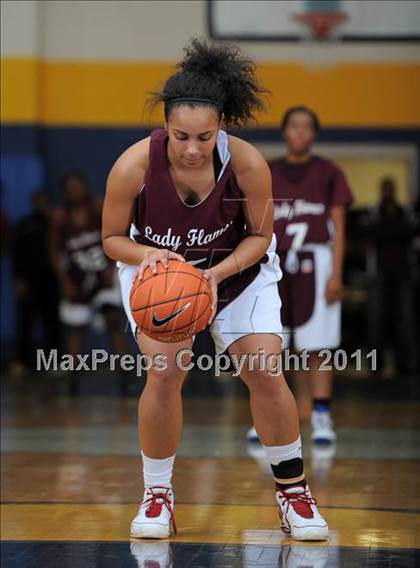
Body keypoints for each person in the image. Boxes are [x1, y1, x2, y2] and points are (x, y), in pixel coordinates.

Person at [102, 40, 329, 541]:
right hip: (160, 278)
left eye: (204, 137)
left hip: (237, 272)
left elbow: (261, 236)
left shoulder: (246, 165)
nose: (191, 147)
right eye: (181, 135)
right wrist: (149, 256)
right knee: (164, 371)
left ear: (221, 126)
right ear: (165, 125)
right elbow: (112, 240)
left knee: (266, 370)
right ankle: (157, 497)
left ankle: (294, 495)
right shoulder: (133, 167)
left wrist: (216, 274)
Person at [247, 106, 353, 445]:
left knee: (317, 345)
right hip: (272, 265)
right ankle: (268, 415)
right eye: (294, 125)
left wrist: (336, 275)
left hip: (316, 262)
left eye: (307, 126)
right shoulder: (267, 171)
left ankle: (322, 415)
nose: (300, 132)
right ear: (284, 131)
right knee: (271, 343)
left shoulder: (328, 172)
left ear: (314, 134)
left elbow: (339, 227)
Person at [50, 171, 126, 392]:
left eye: (77, 186)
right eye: (69, 188)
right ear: (64, 192)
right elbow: (54, 253)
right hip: (77, 277)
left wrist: (112, 268)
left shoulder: (99, 207)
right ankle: (72, 379)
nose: (74, 191)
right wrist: (65, 283)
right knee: (75, 328)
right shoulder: (60, 217)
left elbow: (117, 236)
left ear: (84, 186)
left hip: (103, 273)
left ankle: (126, 376)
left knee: (112, 319)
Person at [367, 177, 417, 375]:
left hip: (403, 274)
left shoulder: (405, 212)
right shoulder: (374, 212)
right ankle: (375, 365)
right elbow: (371, 235)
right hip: (378, 274)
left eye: (391, 189)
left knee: (406, 321)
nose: (388, 192)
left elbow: (410, 234)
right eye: (384, 189)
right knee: (375, 322)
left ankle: (406, 364)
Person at [11, 189, 60, 374]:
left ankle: (52, 363)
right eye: (37, 201)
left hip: (51, 280)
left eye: (44, 200)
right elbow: (16, 254)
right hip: (29, 280)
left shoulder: (55, 222)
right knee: (25, 322)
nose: (41, 204)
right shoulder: (24, 224)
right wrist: (19, 279)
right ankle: (22, 361)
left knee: (52, 323)